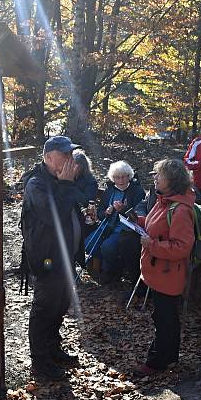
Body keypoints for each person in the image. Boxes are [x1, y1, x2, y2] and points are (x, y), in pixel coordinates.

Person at [21, 135, 84, 379]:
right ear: (48, 157)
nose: (70, 158)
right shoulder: (36, 184)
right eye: (64, 154)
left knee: (60, 304)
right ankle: (40, 361)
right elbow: (54, 215)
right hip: (46, 258)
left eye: (71, 153)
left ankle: (52, 348)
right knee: (45, 307)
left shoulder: (62, 179)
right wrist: (66, 184)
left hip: (65, 256)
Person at [133, 159, 195, 377]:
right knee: (166, 316)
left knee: (164, 318)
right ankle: (170, 357)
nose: (155, 178)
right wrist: (138, 222)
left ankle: (156, 362)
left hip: (169, 274)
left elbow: (181, 247)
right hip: (160, 271)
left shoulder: (179, 209)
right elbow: (157, 227)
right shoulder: (164, 202)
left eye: (160, 175)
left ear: (173, 180)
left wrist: (151, 245)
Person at [85, 160, 145, 284]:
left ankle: (109, 271)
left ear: (129, 176)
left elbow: (138, 215)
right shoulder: (109, 191)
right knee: (89, 244)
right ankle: (104, 264)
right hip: (107, 225)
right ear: (113, 178)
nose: (121, 180)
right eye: (117, 177)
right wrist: (106, 212)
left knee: (108, 247)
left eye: (124, 177)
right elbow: (101, 212)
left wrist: (123, 209)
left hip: (124, 228)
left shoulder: (137, 191)